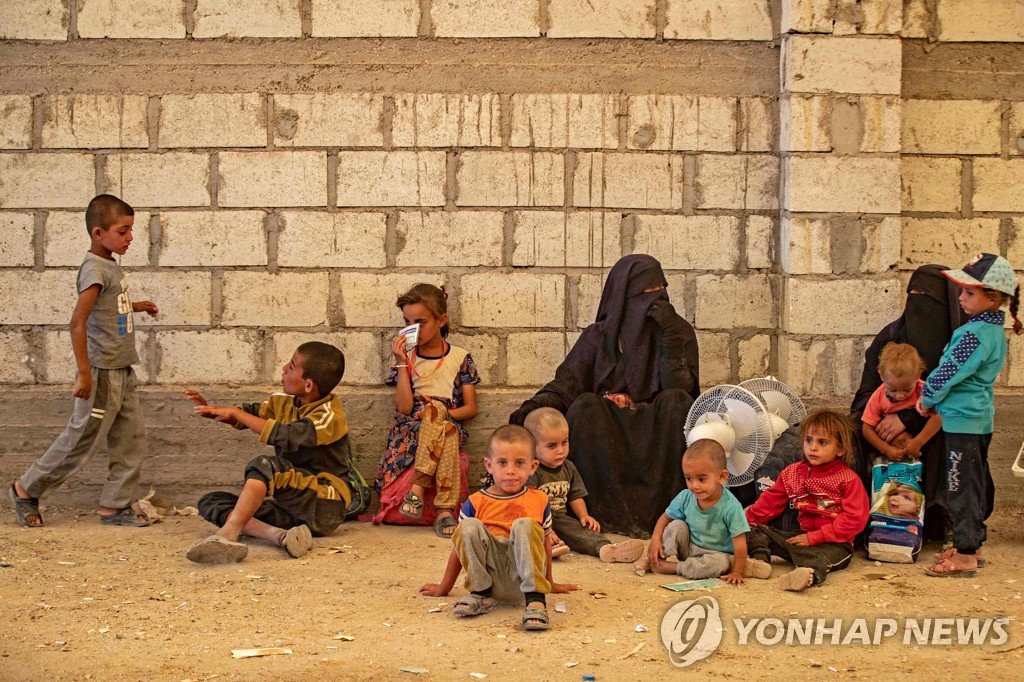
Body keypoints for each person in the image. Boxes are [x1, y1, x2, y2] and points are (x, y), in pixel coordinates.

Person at [509, 255, 699, 537]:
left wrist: (669, 337)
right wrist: (527, 412)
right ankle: (601, 516)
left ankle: (670, 514)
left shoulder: (676, 330)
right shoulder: (598, 337)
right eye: (645, 293)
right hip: (609, 436)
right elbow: (565, 386)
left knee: (677, 403)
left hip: (657, 435)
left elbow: (684, 391)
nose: (656, 298)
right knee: (586, 406)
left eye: (661, 289)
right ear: (623, 297)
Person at [10, 194, 158, 528]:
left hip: (122, 367)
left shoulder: (110, 266)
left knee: (130, 439)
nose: (130, 237)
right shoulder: (93, 269)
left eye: (130, 230)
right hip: (102, 370)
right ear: (98, 233)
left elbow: (109, 305)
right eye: (123, 231)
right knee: (81, 439)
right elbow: (78, 322)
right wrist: (83, 373)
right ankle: (25, 489)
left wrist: (137, 305)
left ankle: (114, 507)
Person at [184, 342, 351, 564]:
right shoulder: (283, 402)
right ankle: (280, 536)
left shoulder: (329, 416)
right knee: (212, 502)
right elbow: (253, 413)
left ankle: (228, 534)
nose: (283, 369)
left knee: (265, 465)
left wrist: (235, 413)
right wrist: (217, 412)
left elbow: (288, 435)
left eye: (291, 367)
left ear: (308, 385)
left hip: (322, 503)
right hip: (290, 507)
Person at [918, 253, 1022, 578]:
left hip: (963, 422)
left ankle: (964, 556)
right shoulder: (992, 331)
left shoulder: (973, 333)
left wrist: (927, 396)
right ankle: (973, 544)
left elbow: (950, 370)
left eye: (969, 292)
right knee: (974, 484)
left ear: (992, 297)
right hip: (978, 419)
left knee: (958, 486)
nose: (961, 298)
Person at [419, 425, 578, 632]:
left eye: (519, 463)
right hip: (488, 579)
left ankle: (536, 601)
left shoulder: (539, 500)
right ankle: (480, 595)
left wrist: (549, 582)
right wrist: (444, 587)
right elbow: (460, 549)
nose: (510, 470)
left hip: (523, 579)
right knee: (467, 527)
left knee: (524, 525)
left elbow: (545, 543)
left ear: (533, 466)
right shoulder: (475, 502)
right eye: (502, 463)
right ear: (489, 465)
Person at [850, 264, 963, 525]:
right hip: (882, 423)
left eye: (928, 299)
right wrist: (888, 423)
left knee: (956, 427)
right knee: (850, 430)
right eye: (913, 296)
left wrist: (910, 420)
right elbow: (864, 396)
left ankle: (942, 514)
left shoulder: (958, 345)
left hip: (936, 421)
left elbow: (958, 399)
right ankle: (866, 515)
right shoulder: (889, 339)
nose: (919, 307)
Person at [375, 283, 480, 538]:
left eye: (420, 322)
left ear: (441, 320)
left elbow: (470, 409)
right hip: (411, 428)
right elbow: (404, 408)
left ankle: (417, 491)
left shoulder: (460, 357)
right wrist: (401, 363)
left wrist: (440, 412)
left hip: (446, 419)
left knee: (440, 418)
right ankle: (444, 511)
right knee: (445, 431)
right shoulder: (406, 358)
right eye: (408, 322)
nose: (414, 330)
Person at [745, 410, 870, 591]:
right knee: (751, 531)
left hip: (834, 543)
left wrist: (814, 538)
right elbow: (769, 502)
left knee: (819, 558)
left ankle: (807, 574)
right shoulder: (792, 473)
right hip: (799, 536)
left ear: (840, 448)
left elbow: (854, 519)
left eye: (822, 442)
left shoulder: (848, 479)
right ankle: (759, 562)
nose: (813, 447)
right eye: (808, 440)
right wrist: (742, 522)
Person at [634, 439, 767, 584]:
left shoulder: (731, 506)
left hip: (716, 555)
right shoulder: (685, 497)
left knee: (720, 564)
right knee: (677, 525)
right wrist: (655, 540)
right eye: (689, 478)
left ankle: (675, 567)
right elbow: (665, 517)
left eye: (701, 479)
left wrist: (737, 572)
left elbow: (740, 542)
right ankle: (654, 560)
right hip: (689, 548)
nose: (694, 486)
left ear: (722, 477)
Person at [523, 408, 644, 563]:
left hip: (559, 518)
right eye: (552, 446)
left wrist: (583, 515)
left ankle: (606, 548)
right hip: (536, 519)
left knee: (580, 530)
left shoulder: (569, 467)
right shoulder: (533, 470)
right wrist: (545, 530)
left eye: (564, 442)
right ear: (532, 447)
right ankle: (546, 545)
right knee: (529, 529)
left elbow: (575, 495)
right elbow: (528, 504)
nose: (561, 450)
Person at [861, 343, 942, 462]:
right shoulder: (878, 397)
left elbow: (939, 416)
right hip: (891, 454)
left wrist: (918, 442)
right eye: (892, 390)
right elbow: (866, 429)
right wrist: (886, 449)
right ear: (881, 375)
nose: (900, 396)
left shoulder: (924, 391)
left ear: (918, 375)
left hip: (923, 450)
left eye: (907, 389)